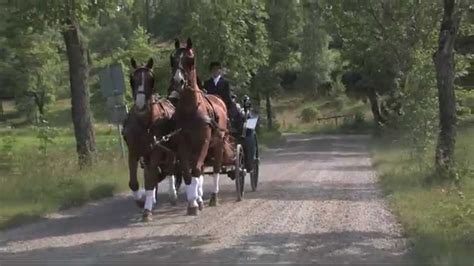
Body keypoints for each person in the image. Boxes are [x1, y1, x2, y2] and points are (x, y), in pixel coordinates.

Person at [203, 61, 243, 133]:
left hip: (223, 103)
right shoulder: (207, 83)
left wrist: (222, 104)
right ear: (211, 71)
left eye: (217, 69)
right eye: (213, 69)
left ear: (220, 71)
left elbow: (227, 96)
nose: (215, 71)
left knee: (235, 110)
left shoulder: (225, 83)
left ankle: (234, 126)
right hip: (210, 105)